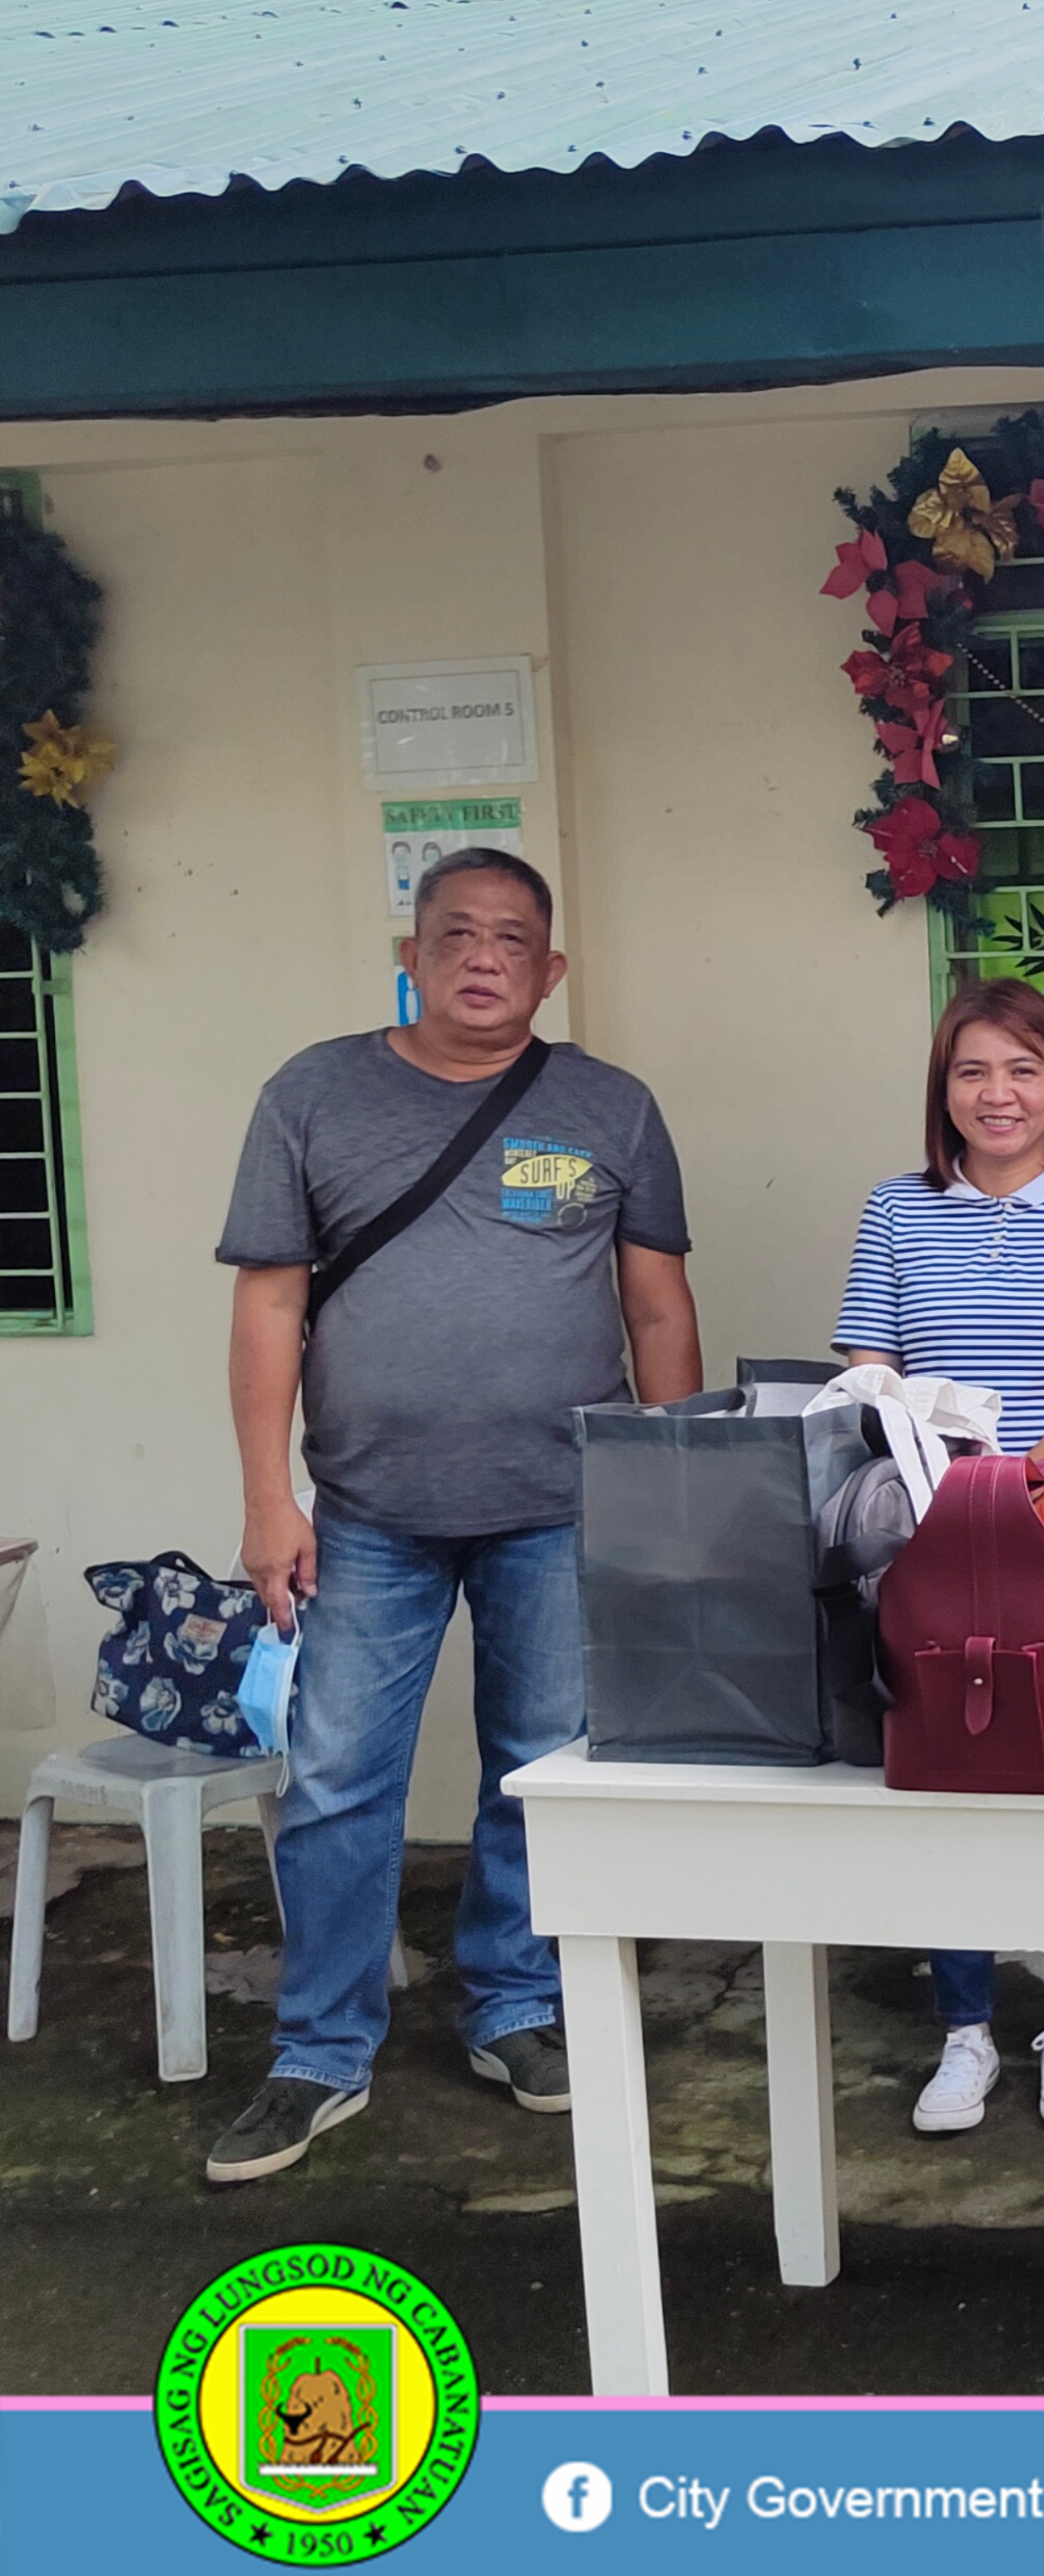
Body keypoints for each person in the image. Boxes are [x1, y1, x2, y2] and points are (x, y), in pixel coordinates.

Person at [208, 849, 703, 2183]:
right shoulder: (313, 1095)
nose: (485, 958)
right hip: (364, 1513)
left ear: (551, 971)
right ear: (414, 956)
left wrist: (671, 1494)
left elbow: (656, 1308)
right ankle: (318, 2048)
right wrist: (270, 1497)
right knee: (335, 1785)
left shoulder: (610, 1106)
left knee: (539, 1777)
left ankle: (516, 2008)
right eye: (458, 935)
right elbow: (269, 1305)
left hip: (562, 1509)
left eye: (514, 942)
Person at [834, 977, 1044, 2135]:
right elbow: (869, 1370)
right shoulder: (896, 1209)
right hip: (927, 1534)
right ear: (945, 1089)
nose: (999, 1093)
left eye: (1024, 1070)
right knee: (950, 1778)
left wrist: (1034, 1474)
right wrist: (941, 1471)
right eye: (973, 1070)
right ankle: (966, 2030)